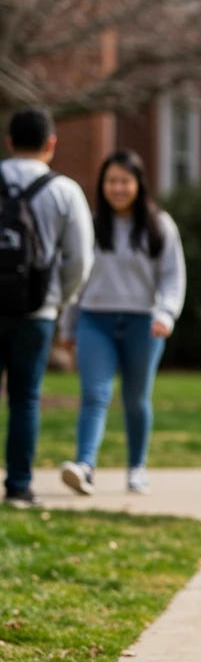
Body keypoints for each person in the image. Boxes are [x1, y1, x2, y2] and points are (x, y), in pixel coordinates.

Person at [58, 150, 186, 496]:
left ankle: (136, 467)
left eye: (124, 181)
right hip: (94, 320)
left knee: (136, 398)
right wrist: (68, 327)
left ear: (138, 185)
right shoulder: (91, 225)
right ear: (102, 185)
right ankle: (84, 465)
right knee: (94, 394)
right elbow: (76, 279)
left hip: (143, 324)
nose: (117, 188)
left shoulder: (160, 227)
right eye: (111, 181)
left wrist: (165, 314)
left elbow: (173, 278)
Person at [0, 107, 94, 507]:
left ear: (8, 142)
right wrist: (61, 299)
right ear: (51, 144)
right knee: (25, 397)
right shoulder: (64, 191)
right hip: (36, 310)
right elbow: (80, 260)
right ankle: (19, 486)